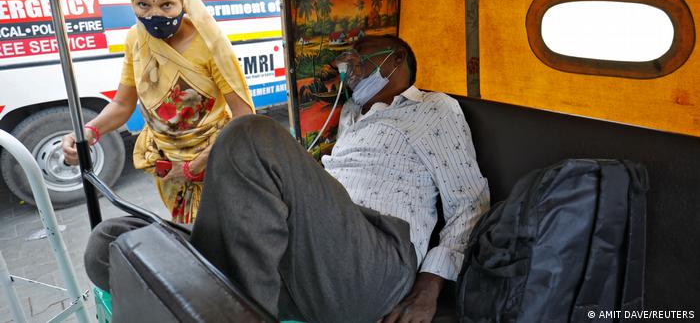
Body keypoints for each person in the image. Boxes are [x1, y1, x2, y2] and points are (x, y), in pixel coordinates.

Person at [84, 35, 490, 322]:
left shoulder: (434, 109)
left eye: (359, 59)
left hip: (373, 260)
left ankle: (226, 301)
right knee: (114, 240)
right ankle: (230, 299)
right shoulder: (351, 117)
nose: (348, 71)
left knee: (249, 133)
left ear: (395, 59)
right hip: (294, 265)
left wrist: (430, 285)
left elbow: (470, 201)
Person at [62, 0, 254, 224]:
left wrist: (193, 167)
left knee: (223, 234)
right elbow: (123, 104)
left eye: (166, 5)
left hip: (215, 162)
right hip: (168, 166)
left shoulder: (210, 43)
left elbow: (244, 118)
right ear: (132, 3)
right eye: (143, 5)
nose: (154, 15)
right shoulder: (135, 39)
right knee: (187, 236)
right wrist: (89, 131)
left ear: (183, 2)